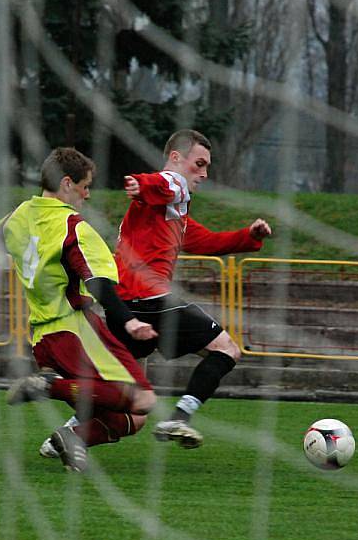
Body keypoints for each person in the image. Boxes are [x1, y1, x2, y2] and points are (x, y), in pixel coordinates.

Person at [0, 147, 157, 472]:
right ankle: (48, 386)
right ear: (66, 183)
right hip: (75, 330)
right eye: (85, 186)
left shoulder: (19, 216)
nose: (87, 194)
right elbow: (100, 283)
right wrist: (129, 321)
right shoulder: (73, 226)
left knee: (132, 419)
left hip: (42, 339)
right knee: (145, 399)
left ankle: (71, 439)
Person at [107, 128, 272, 449]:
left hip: (125, 308)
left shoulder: (171, 215)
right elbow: (166, 183)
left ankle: (69, 432)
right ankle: (181, 418)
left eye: (207, 166)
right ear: (176, 158)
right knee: (227, 349)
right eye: (200, 164)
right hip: (151, 301)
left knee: (130, 400)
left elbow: (207, 242)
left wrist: (250, 235)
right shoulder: (173, 185)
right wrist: (143, 183)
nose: (204, 173)